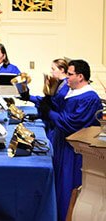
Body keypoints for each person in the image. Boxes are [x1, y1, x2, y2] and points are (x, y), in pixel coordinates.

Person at [39, 59, 102, 221]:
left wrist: (49, 113)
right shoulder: (71, 92)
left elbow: (70, 123)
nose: (66, 77)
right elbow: (55, 106)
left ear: (80, 76)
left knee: (68, 186)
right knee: (60, 184)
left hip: (73, 151)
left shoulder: (90, 98)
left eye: (70, 74)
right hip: (63, 146)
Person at [20, 58, 69, 140]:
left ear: (62, 70)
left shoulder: (66, 87)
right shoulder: (59, 83)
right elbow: (46, 101)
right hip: (53, 121)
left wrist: (46, 112)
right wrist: (29, 98)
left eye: (53, 69)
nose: (51, 71)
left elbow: (54, 105)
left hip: (57, 126)